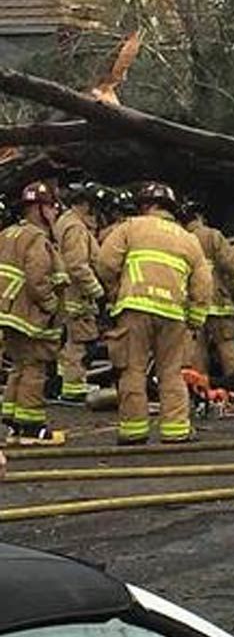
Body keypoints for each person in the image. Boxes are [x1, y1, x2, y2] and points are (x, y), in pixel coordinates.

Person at [97, 182, 212, 445]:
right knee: (171, 372)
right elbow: (203, 283)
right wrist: (195, 317)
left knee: (132, 370)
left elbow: (105, 263)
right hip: (173, 314)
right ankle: (175, 431)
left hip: (135, 308)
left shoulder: (130, 227)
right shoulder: (189, 239)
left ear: (146, 206)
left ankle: (133, 431)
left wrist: (116, 292)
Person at [0, 182, 68, 445]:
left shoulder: (8, 234)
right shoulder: (37, 238)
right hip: (29, 314)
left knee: (19, 365)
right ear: (41, 209)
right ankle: (31, 427)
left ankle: (14, 424)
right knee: (34, 368)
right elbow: (37, 277)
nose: (54, 213)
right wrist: (51, 305)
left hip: (8, 311)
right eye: (52, 207)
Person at [177, 198, 234, 381]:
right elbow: (229, 262)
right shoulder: (212, 235)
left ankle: (198, 385)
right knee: (226, 342)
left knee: (195, 346)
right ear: (199, 216)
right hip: (218, 300)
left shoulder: (179, 237)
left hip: (191, 301)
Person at [51, 181, 108, 403]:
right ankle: (73, 388)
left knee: (68, 344)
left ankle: (64, 383)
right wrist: (98, 291)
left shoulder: (66, 222)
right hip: (77, 298)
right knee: (79, 344)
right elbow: (77, 265)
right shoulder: (75, 227)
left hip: (68, 296)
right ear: (84, 204)